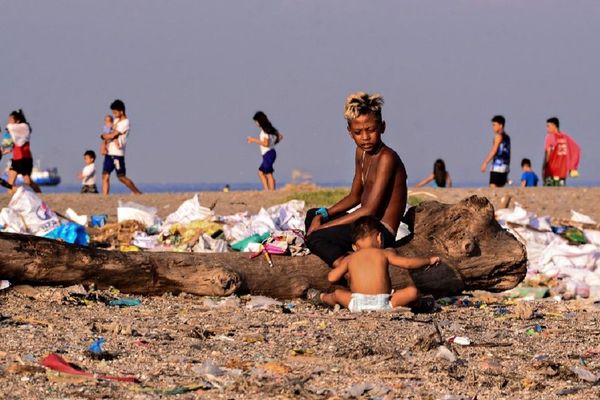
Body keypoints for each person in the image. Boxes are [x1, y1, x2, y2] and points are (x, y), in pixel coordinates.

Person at [304, 92, 407, 271]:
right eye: (358, 132)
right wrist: (323, 215)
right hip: (363, 224)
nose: (365, 137)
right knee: (312, 215)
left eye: (371, 130)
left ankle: (347, 271)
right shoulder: (362, 153)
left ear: (382, 127)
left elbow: (370, 209)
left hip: (379, 232)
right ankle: (346, 255)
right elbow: (354, 196)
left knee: (316, 237)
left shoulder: (387, 158)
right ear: (350, 132)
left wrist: (323, 228)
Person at [311, 216, 440, 312]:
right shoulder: (384, 253)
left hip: (357, 303)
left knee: (338, 294)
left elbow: (331, 278)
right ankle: (418, 305)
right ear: (379, 238)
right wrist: (428, 260)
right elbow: (408, 263)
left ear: (354, 247)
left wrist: (347, 269)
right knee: (412, 292)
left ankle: (321, 297)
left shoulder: (350, 258)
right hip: (383, 303)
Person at [101, 99, 142, 195]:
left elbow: (112, 135)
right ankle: (105, 196)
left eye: (115, 112)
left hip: (117, 154)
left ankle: (137, 192)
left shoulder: (125, 123)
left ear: (121, 111)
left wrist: (103, 136)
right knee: (105, 175)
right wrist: (104, 144)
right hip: (109, 152)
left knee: (121, 177)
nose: (114, 114)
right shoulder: (116, 120)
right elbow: (108, 133)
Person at [4, 109, 41, 193]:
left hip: (24, 159)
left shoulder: (24, 127)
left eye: (11, 119)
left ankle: (40, 196)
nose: (9, 121)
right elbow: (10, 142)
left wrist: (9, 127)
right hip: (15, 159)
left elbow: (11, 128)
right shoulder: (14, 130)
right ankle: (11, 199)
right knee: (9, 183)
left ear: (18, 120)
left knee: (28, 182)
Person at [246, 111, 283, 191]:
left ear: (260, 121)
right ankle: (266, 190)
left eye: (256, 121)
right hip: (271, 152)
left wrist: (253, 140)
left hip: (268, 154)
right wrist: (273, 143)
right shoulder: (271, 130)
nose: (256, 123)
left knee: (269, 174)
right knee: (260, 173)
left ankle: (272, 191)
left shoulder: (265, 131)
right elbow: (280, 137)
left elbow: (265, 144)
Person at [542, 117, 580, 186]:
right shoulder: (565, 137)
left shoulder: (550, 137)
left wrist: (543, 167)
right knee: (560, 195)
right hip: (562, 173)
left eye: (548, 126)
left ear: (554, 126)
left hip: (551, 172)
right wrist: (573, 166)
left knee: (549, 193)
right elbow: (576, 149)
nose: (547, 128)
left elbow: (548, 153)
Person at [480, 115, 511, 188]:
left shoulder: (498, 136)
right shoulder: (507, 137)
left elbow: (494, 150)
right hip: (505, 167)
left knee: (493, 188)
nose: (493, 127)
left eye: (494, 125)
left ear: (500, 125)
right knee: (500, 189)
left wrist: (485, 162)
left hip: (497, 167)